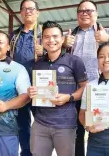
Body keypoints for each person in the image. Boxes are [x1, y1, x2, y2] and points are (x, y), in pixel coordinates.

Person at [62, 0, 109, 156]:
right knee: (75, 131)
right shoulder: (69, 36)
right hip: (75, 89)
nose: (85, 13)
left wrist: (108, 40)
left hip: (100, 89)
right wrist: (63, 45)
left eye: (89, 11)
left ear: (96, 14)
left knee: (101, 129)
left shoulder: (107, 32)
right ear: (77, 15)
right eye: (81, 11)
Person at [27, 21, 88, 156]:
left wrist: (69, 97)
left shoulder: (74, 61)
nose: (51, 40)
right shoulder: (38, 64)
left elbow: (85, 88)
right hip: (40, 123)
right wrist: (31, 92)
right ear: (42, 40)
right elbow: (34, 89)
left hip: (65, 124)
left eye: (55, 36)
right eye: (47, 37)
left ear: (62, 39)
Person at [9, 0, 43, 156]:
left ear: (37, 12)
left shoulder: (46, 33)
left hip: (40, 86)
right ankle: (26, 153)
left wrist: (45, 51)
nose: (28, 11)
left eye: (31, 9)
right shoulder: (14, 36)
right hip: (19, 87)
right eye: (24, 9)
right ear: (21, 13)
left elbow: (59, 55)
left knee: (42, 123)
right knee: (22, 123)